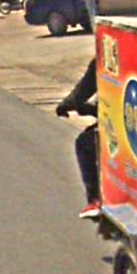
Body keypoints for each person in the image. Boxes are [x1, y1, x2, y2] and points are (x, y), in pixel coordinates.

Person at [56, 58, 100, 219]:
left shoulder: (106, 56)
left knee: (84, 144)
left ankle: (95, 199)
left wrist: (67, 104)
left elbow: (84, 90)